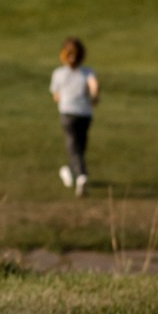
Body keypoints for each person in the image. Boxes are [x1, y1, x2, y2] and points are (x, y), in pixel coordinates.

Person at [50, 36, 99, 199]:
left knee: (74, 146)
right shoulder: (87, 72)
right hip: (84, 113)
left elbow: (56, 97)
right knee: (79, 146)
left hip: (69, 113)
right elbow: (94, 87)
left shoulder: (59, 73)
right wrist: (93, 97)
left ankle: (78, 174)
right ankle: (77, 174)